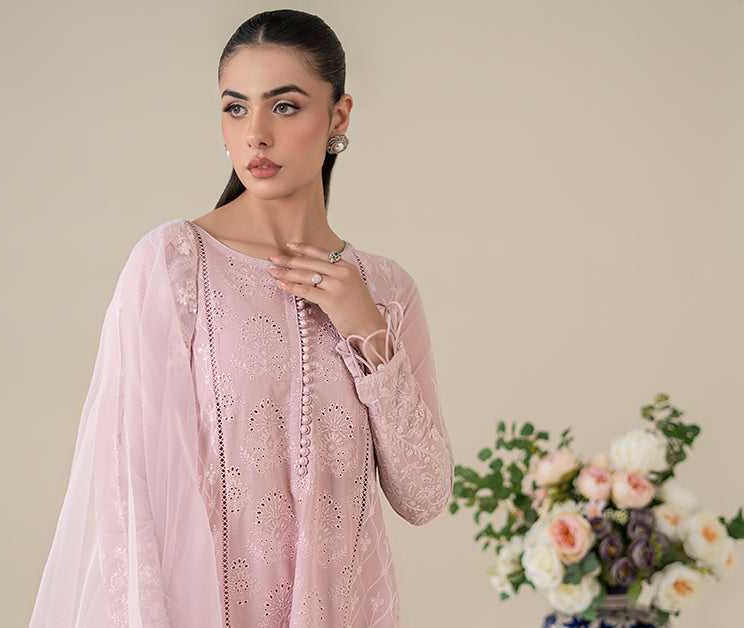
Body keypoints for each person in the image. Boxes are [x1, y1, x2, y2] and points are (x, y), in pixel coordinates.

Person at [28, 9, 453, 628]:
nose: (255, 134)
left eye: (284, 107)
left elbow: (425, 495)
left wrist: (365, 327)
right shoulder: (176, 264)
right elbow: (128, 497)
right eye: (236, 108)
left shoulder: (386, 290)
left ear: (338, 116)